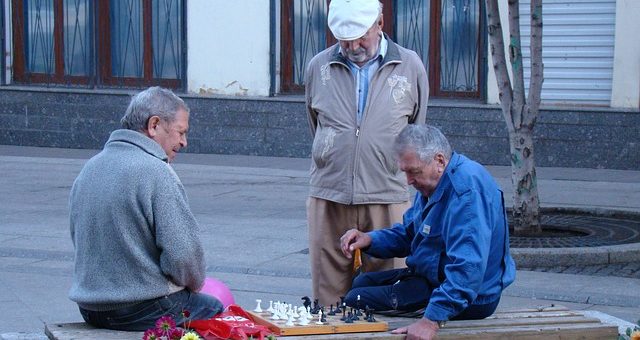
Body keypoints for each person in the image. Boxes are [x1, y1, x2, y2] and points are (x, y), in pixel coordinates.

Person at [339, 124, 516, 340]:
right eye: (405, 172)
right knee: (360, 284)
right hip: (433, 278)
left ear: (439, 161)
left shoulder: (467, 193)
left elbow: (467, 270)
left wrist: (431, 320)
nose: (409, 181)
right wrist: (369, 240)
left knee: (355, 298)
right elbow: (410, 234)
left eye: (413, 172)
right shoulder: (434, 183)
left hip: (473, 298)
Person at [305, 0, 429, 306]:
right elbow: (316, 124)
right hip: (329, 193)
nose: (353, 46)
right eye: (344, 39)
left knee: (390, 292)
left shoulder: (410, 65)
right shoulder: (318, 66)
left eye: (361, 36)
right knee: (328, 296)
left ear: (380, 23)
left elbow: (416, 129)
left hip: (387, 193)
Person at [68, 87, 223, 331]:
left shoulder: (90, 168)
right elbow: (183, 255)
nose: (184, 142)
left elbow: (78, 236)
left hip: (90, 307)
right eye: (180, 132)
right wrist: (192, 283)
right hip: (138, 308)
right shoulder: (157, 172)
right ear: (154, 125)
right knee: (214, 309)